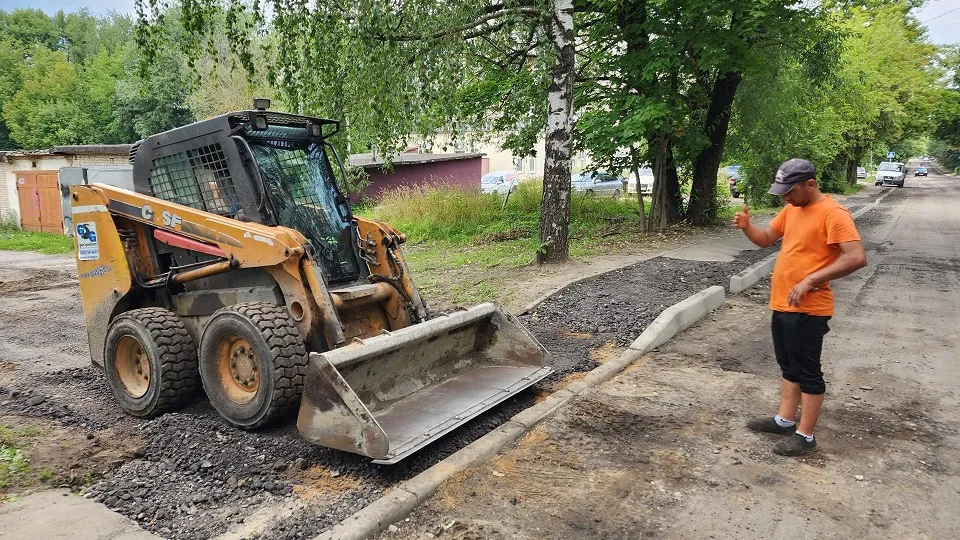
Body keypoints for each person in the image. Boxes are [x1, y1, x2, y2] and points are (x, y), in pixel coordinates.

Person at [733, 158, 867, 456]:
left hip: (809, 309)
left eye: (789, 191)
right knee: (788, 365)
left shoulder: (834, 214)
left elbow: (856, 256)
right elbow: (767, 239)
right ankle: (783, 420)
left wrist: (811, 280)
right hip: (783, 303)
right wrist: (747, 228)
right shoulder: (792, 208)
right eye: (782, 193)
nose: (785, 198)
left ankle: (805, 435)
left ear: (810, 184)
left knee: (807, 371)